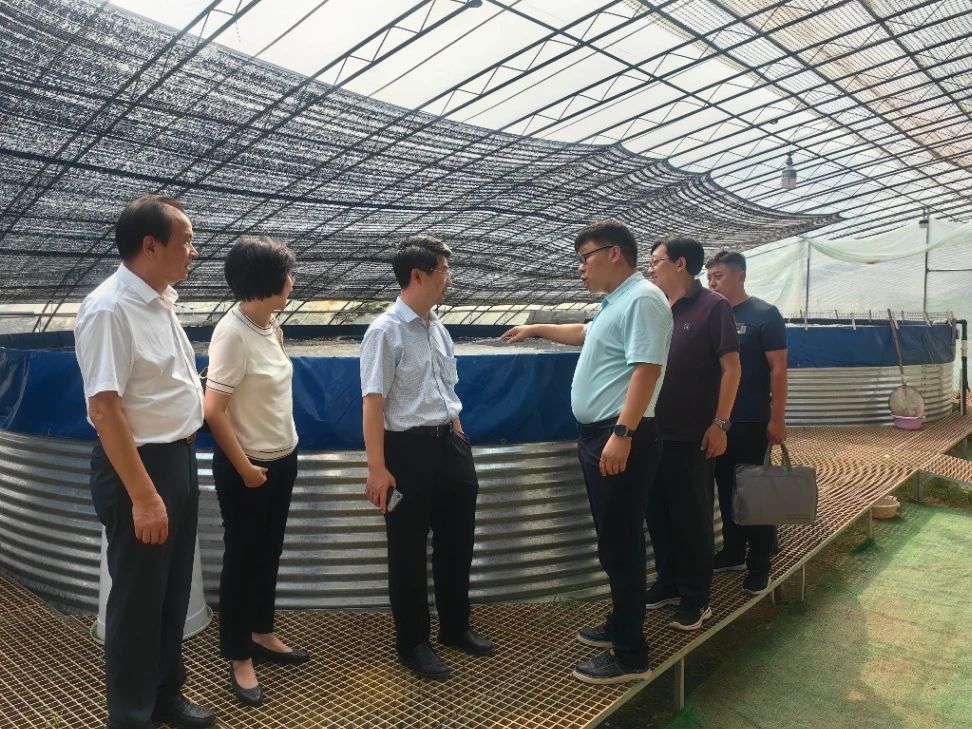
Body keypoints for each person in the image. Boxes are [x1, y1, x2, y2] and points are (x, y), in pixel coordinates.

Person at [501, 220, 672, 684]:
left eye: (585, 258)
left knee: (621, 542)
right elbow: (583, 332)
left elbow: (647, 370)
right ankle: (621, 622)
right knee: (612, 538)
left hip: (620, 435)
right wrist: (535, 329)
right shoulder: (616, 302)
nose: (580, 268)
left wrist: (623, 433)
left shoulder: (643, 299)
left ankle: (631, 655)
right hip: (604, 434)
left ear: (614, 253)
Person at [74, 195, 215, 729]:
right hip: (140, 469)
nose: (193, 252)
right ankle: (131, 716)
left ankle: (164, 697)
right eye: (186, 242)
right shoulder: (110, 309)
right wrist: (144, 496)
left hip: (176, 459)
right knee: (137, 602)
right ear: (150, 245)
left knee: (171, 591)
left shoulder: (160, 300)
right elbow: (105, 409)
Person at [359, 235, 493, 682]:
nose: (449, 279)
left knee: (458, 541)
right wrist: (377, 468)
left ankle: (455, 627)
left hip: (449, 444)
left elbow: (446, 389)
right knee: (408, 551)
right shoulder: (384, 331)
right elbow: (373, 402)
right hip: (406, 451)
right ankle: (413, 643)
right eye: (443, 270)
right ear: (417, 275)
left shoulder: (438, 327)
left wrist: (459, 436)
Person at [203, 237, 309, 707]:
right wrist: (245, 467)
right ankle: (238, 653)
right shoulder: (232, 333)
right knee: (243, 559)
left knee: (269, 552)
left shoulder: (271, 326)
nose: (292, 282)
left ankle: (262, 632)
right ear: (267, 280)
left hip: (282, 458)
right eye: (287, 274)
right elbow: (213, 410)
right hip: (247, 466)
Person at [645, 237, 740, 632]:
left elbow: (732, 368)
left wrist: (720, 424)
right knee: (658, 514)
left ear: (680, 264)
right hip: (654, 433)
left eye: (656, 261)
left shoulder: (713, 307)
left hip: (693, 436)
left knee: (692, 518)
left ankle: (696, 598)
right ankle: (668, 582)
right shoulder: (657, 306)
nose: (650, 268)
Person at [706, 250, 788, 595]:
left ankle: (759, 564)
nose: (712, 283)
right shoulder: (712, 313)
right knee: (726, 488)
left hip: (753, 420)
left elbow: (778, 370)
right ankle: (733, 552)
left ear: (740, 276)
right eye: (709, 277)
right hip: (718, 423)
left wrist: (777, 418)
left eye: (719, 276)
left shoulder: (764, 315)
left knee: (755, 492)